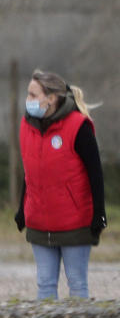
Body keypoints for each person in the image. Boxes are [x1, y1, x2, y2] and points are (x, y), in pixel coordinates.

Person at [15, 70, 106, 300]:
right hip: (39, 221)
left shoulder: (78, 126)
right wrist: (22, 209)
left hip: (74, 223)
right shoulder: (26, 126)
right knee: (45, 285)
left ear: (51, 98)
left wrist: (99, 213)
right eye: (28, 94)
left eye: (33, 95)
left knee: (76, 284)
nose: (29, 100)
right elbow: (29, 173)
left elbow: (95, 174)